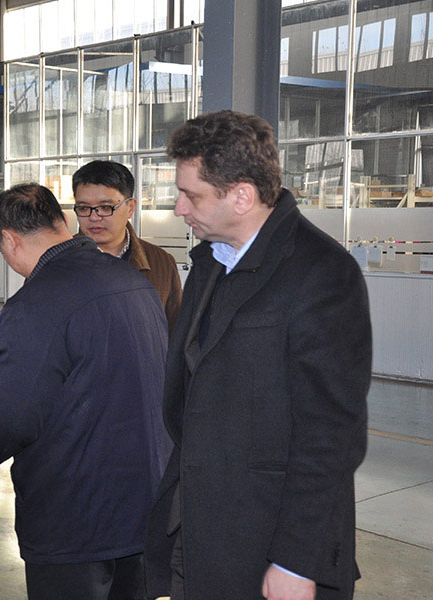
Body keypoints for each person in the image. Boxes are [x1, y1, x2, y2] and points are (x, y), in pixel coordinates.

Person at [143, 110, 372, 600]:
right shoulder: (211, 260)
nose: (179, 208)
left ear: (241, 196)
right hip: (201, 529)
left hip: (268, 541)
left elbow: (331, 435)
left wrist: (295, 560)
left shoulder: (323, 273)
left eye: (191, 195)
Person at [0, 183, 170, 600]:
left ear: (10, 240)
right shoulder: (132, 281)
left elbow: (9, 413)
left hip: (76, 515)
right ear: (62, 222)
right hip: (144, 504)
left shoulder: (37, 302)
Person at [72, 160, 182, 334]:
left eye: (105, 207)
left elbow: (176, 333)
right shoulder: (55, 263)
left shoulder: (161, 263)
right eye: (84, 208)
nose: (94, 217)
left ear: (130, 208)